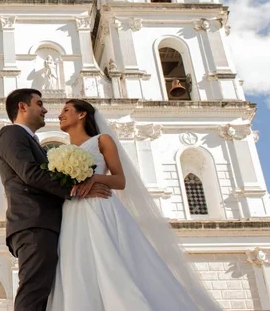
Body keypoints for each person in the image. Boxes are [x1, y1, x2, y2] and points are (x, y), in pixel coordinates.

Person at [46, 99, 223, 311]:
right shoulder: (62, 152)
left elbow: (120, 180)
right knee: (76, 265)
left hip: (99, 206)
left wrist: (93, 179)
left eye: (66, 110)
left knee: (109, 262)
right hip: (72, 211)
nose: (59, 115)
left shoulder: (101, 140)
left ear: (82, 114)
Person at [0, 89, 112, 311]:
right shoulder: (11, 133)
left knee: (46, 294)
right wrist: (78, 189)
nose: (45, 109)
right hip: (34, 223)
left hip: (46, 223)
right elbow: (30, 173)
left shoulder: (32, 140)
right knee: (34, 291)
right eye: (39, 103)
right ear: (22, 107)